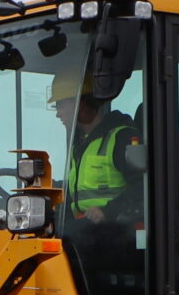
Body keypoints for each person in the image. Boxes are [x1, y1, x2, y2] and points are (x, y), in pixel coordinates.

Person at [51, 71, 143, 225]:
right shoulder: (80, 144)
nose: (58, 114)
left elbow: (143, 187)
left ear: (79, 105)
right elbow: (80, 191)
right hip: (84, 229)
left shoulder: (122, 138)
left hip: (115, 230)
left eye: (60, 106)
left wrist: (107, 211)